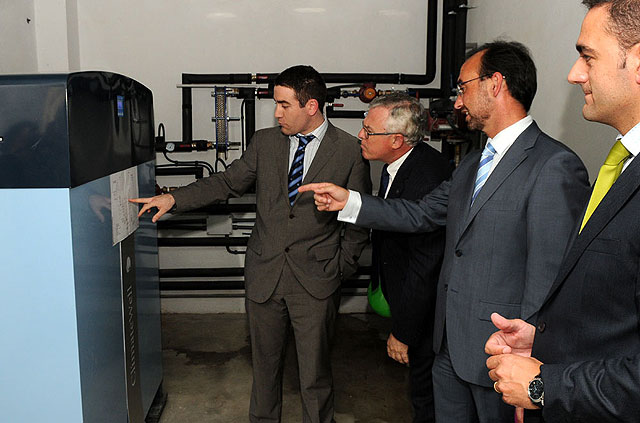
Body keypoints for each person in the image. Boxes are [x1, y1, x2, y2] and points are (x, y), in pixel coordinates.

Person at [299, 41, 590, 423]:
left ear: (495, 84)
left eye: (463, 88)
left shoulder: (553, 165)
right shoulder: (472, 164)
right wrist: (350, 202)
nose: (456, 102)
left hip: (501, 354)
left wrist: (532, 363)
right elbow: (420, 215)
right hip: (448, 347)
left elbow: (550, 276)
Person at [131, 65, 371, 423]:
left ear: (312, 106)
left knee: (315, 377)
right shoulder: (265, 142)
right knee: (264, 371)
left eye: (284, 105)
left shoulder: (350, 151)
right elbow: (226, 182)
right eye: (276, 104)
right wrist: (173, 199)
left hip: (317, 280)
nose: (276, 113)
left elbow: (357, 217)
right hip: (265, 275)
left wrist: (340, 269)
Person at [485, 1, 640, 422]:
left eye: (587, 56)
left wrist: (542, 385)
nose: (574, 73)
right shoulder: (623, 161)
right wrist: (547, 345)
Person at [361, 93, 451, 422]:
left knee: (425, 394)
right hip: (402, 297)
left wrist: (404, 332)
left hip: (423, 317)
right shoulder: (397, 165)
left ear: (397, 140)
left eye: (369, 131)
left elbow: (425, 266)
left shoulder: (427, 177)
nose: (361, 136)